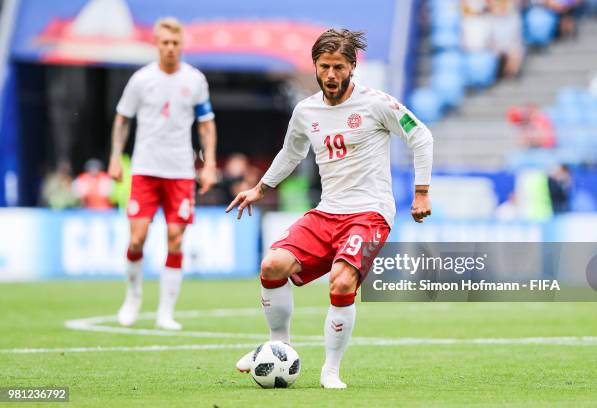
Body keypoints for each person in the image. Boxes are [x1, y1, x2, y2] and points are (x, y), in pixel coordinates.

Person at [226, 29, 434, 388]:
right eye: (325, 67)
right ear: (316, 67)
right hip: (327, 212)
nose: (331, 75)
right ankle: (279, 347)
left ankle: (331, 369)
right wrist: (260, 188)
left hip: (370, 213)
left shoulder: (376, 104)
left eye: (339, 66)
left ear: (353, 66)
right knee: (272, 265)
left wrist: (422, 192)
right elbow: (291, 153)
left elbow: (421, 135)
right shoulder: (306, 111)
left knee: (340, 281)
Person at [107, 17, 218, 330]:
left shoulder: (195, 80)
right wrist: (115, 157)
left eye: (175, 43)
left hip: (180, 171)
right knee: (137, 238)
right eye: (165, 43)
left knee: (175, 239)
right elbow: (122, 119)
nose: (170, 48)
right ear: (156, 44)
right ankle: (133, 297)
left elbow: (206, 124)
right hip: (144, 169)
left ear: (181, 45)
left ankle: (165, 312)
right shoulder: (141, 80)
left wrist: (209, 164)